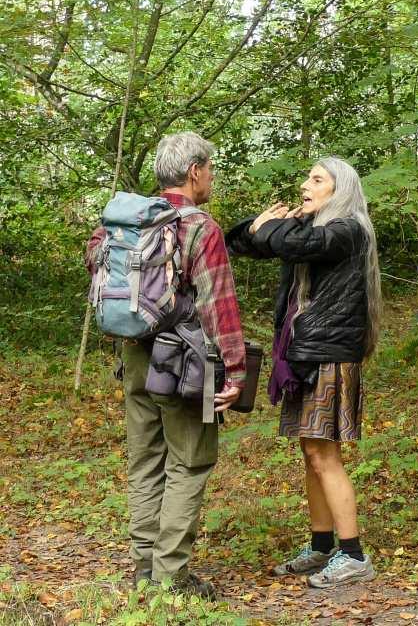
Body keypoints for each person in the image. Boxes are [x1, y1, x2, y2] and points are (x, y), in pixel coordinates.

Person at [86, 132, 246, 598]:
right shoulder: (200, 227)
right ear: (194, 171)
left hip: (134, 357)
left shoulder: (124, 223)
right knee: (190, 462)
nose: (211, 176)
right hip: (186, 362)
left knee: (145, 461)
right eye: (210, 168)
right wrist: (233, 370)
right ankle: (170, 577)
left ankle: (143, 567)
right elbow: (219, 304)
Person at [226, 156, 381, 588]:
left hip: (329, 355)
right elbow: (240, 243)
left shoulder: (347, 231)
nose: (304, 186)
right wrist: (257, 225)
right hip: (304, 354)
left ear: (341, 189)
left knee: (324, 455)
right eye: (307, 178)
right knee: (311, 455)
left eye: (317, 180)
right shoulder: (310, 231)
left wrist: (274, 229)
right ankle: (321, 546)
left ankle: (353, 557)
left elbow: (291, 245)